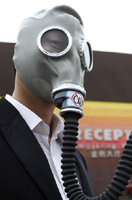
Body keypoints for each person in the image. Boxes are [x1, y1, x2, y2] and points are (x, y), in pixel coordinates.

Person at [0, 5, 95, 200]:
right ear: (20, 52)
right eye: (55, 43)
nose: (74, 62)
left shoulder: (73, 156)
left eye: (80, 54)